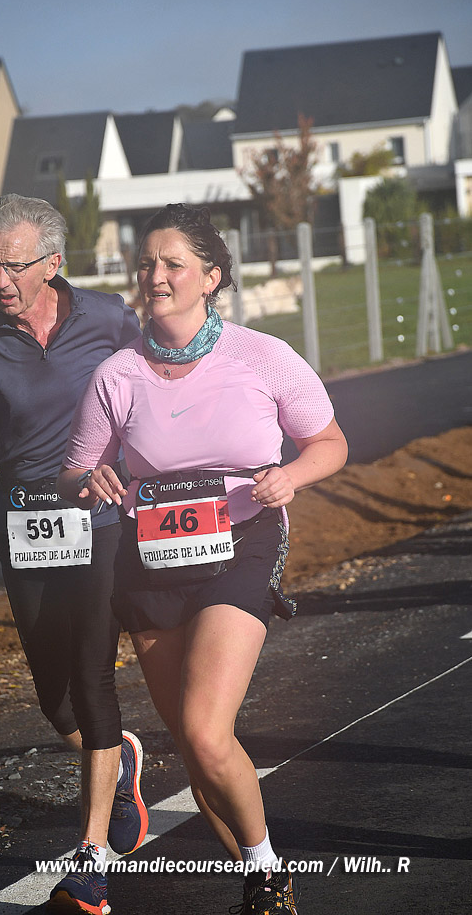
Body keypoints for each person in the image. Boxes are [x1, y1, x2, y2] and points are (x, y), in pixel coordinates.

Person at [59, 203, 348, 915]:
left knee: (203, 728)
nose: (154, 276)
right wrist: (91, 479)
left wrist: (290, 477)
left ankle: (268, 871)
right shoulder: (117, 374)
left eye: (172, 264)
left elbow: (330, 444)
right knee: (195, 749)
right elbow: (74, 472)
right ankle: (258, 881)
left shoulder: (262, 356)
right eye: (146, 264)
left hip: (242, 540)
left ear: (211, 276)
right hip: (151, 555)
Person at [0, 194, 148, 915]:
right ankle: (118, 762)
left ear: (53, 262)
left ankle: (90, 857)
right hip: (24, 521)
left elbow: (158, 380)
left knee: (93, 672)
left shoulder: (108, 317)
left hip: (99, 512)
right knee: (55, 698)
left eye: (13, 265)